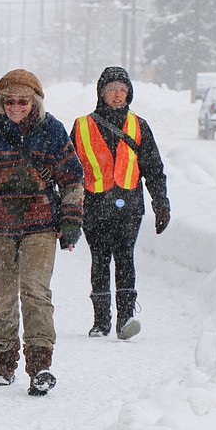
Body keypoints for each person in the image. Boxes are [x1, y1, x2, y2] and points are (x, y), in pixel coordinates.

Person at [0, 69, 84, 396]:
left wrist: (71, 219)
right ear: (1, 102)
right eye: (9, 101)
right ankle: (5, 360)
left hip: (39, 223)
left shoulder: (52, 131)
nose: (16, 107)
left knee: (36, 292)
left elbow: (72, 179)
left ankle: (40, 364)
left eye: (22, 101)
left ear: (34, 101)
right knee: (1, 297)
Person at [71, 66, 170, 340]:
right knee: (100, 259)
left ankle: (125, 319)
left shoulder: (139, 126)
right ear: (101, 93)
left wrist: (161, 203)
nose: (117, 96)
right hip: (94, 204)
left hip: (129, 205)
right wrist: (66, 207)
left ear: (129, 94)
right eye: (112, 90)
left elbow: (153, 167)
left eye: (123, 91)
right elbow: (68, 170)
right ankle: (100, 321)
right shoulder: (81, 126)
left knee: (125, 257)